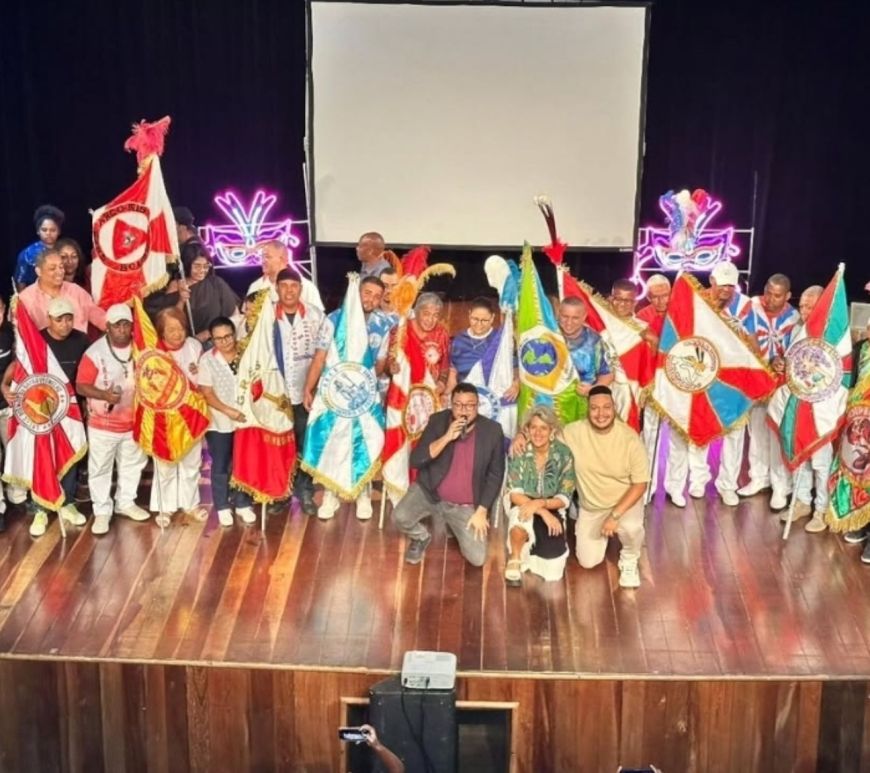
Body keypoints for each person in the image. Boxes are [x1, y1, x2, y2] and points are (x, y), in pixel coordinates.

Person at [2, 298, 89, 537]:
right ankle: (40, 508)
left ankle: (67, 503)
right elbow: (17, 365)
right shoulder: (36, 339)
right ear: (49, 319)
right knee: (41, 456)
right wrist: (4, 385)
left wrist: (86, 403)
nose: (65, 324)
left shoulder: (81, 340)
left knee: (68, 453)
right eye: (59, 319)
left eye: (69, 318)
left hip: (68, 411)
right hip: (38, 411)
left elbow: (86, 372)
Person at [392, 383, 505, 566]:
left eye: (470, 405)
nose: (464, 410)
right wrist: (446, 437)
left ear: (478, 406)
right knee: (400, 516)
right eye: (458, 405)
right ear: (451, 405)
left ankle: (453, 524)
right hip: (430, 493)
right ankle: (421, 537)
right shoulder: (438, 421)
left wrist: (482, 510)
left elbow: (495, 474)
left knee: (477, 559)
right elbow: (416, 460)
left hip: (463, 505)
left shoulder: (492, 430)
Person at [305, 276, 390, 520]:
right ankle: (330, 494)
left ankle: (363, 493)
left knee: (363, 442)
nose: (371, 299)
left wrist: (362, 382)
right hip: (334, 394)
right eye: (367, 292)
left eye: (377, 296)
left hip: (365, 396)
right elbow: (320, 357)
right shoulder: (333, 319)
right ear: (357, 291)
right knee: (334, 441)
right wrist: (308, 388)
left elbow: (381, 363)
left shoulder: (383, 324)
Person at [562, 385, 649, 588]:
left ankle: (629, 557)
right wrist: (522, 436)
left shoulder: (630, 439)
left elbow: (640, 484)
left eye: (606, 407)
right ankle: (603, 535)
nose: (601, 414)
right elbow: (545, 434)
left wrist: (614, 516)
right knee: (588, 562)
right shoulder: (572, 432)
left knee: (632, 528)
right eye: (595, 408)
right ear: (587, 409)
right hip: (592, 507)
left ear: (614, 407)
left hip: (624, 504)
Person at [75, 304, 150, 535]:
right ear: (107, 327)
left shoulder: (142, 348)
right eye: (117, 325)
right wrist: (104, 395)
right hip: (103, 424)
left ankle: (125, 502)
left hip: (134, 421)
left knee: (132, 464)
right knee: (100, 468)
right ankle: (102, 511)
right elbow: (81, 386)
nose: (122, 329)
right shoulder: (95, 352)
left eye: (126, 324)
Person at [738, 273, 800, 509]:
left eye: (777, 295)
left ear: (787, 296)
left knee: (776, 435)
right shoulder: (752, 307)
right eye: (768, 293)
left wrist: (780, 361)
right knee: (756, 432)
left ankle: (780, 486)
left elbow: (795, 352)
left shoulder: (794, 318)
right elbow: (744, 337)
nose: (770, 299)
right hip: (755, 379)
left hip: (780, 384)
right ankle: (757, 478)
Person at [776, 285, 829, 533]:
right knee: (800, 456)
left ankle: (821, 509)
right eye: (802, 306)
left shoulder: (831, 334)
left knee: (820, 462)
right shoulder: (798, 331)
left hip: (822, 410)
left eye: (810, 307)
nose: (805, 311)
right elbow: (790, 363)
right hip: (798, 404)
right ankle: (802, 502)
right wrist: (780, 364)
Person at [274, 267, 326, 515]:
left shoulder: (316, 316)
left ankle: (305, 491)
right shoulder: (265, 316)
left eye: (293, 286)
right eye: (284, 286)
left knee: (306, 443)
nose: (289, 291)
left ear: (300, 289)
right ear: (276, 289)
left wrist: (314, 387)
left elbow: (324, 355)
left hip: (307, 393)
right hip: (276, 396)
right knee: (280, 445)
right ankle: (281, 492)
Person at [504, 406, 574, 585]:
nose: (538, 433)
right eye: (533, 427)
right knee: (521, 520)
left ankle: (535, 550)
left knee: (553, 570)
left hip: (552, 504)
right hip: (523, 501)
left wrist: (541, 505)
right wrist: (540, 511)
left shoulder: (564, 454)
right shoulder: (520, 450)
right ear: (527, 430)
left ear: (552, 431)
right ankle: (515, 557)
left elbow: (565, 496)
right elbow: (514, 493)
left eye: (543, 428)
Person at [197, 317, 257, 526]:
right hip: (219, 422)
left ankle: (242, 502)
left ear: (234, 334)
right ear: (212, 340)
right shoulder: (207, 360)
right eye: (218, 339)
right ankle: (222, 505)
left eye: (228, 336)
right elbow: (207, 393)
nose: (224, 342)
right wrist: (228, 411)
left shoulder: (247, 353)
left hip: (246, 420)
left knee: (243, 461)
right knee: (221, 464)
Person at [149, 307, 206, 526]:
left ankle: (190, 504)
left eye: (180, 328)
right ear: (161, 331)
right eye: (171, 329)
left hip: (192, 415)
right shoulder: (154, 352)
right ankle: (165, 507)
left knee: (192, 463)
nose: (177, 334)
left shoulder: (194, 346)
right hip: (165, 418)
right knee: (166, 465)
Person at [145, 243, 239, 344]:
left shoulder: (216, 284)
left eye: (206, 266)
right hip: (185, 344)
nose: (202, 270)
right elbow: (170, 319)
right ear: (187, 264)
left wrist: (207, 333)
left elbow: (234, 315)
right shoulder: (175, 285)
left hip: (216, 341)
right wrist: (181, 299)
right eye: (197, 266)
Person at [18, 249, 106, 333]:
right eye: (52, 268)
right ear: (38, 271)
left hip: (79, 343)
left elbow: (100, 318)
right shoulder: (26, 299)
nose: (59, 272)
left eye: (61, 267)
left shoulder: (76, 291)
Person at [446, 296, 518, 398]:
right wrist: (447, 394)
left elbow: (514, 366)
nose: (479, 324)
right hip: (466, 396)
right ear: (469, 314)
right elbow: (453, 373)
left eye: (484, 320)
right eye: (475, 319)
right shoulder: (459, 340)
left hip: (495, 396)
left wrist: (516, 383)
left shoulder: (500, 340)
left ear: (492, 318)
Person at [387, 292, 451, 401]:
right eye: (426, 314)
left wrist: (441, 383)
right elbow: (389, 361)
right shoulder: (401, 331)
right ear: (416, 312)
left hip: (429, 395)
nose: (430, 320)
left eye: (435, 315)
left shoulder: (441, 333)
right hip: (402, 394)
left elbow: (445, 365)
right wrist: (391, 366)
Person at [557, 296, 613, 417]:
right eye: (565, 316)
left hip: (581, 407)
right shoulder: (548, 334)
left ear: (584, 317)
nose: (569, 322)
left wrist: (593, 389)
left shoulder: (594, 341)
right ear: (558, 314)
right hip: (553, 405)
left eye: (575, 318)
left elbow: (607, 374)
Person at [246, 239, 323, 310]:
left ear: (282, 259)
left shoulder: (306, 286)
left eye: (267, 257)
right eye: (262, 257)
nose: (263, 261)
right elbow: (250, 317)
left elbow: (317, 317)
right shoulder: (256, 287)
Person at [14, 204, 64, 290]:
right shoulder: (28, 254)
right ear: (38, 231)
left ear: (59, 231)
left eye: (52, 230)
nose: (48, 233)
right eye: (44, 230)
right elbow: (21, 281)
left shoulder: (65, 250)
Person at [0, 297, 14, 529]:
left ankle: (17, 496)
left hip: (7, 404)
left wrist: (4, 383)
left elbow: (18, 359)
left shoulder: (10, 332)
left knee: (13, 450)